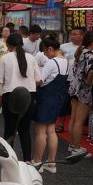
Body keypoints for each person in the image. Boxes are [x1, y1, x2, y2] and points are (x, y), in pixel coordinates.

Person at [0, 34, 41, 161]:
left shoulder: (6, 58)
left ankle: (7, 159)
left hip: (11, 96)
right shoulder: (31, 58)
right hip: (29, 96)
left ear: (9, 45)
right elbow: (38, 79)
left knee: (9, 130)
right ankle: (27, 160)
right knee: (25, 131)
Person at [32, 37, 70, 173]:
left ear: (50, 49)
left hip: (46, 99)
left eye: (45, 52)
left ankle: (37, 162)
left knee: (41, 132)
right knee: (51, 131)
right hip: (57, 99)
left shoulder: (51, 63)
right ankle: (51, 163)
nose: (45, 55)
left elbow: (40, 80)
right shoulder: (65, 62)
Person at [68, 30, 93, 156]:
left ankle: (72, 144)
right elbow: (91, 71)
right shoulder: (91, 55)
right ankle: (76, 148)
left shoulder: (80, 52)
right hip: (83, 90)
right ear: (92, 41)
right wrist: (90, 83)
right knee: (80, 121)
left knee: (74, 117)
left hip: (74, 87)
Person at [57, 27, 86, 133]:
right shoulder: (63, 47)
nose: (72, 36)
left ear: (82, 35)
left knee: (79, 105)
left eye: (75, 34)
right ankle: (60, 124)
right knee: (64, 102)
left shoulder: (86, 48)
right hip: (67, 79)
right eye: (72, 34)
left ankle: (78, 127)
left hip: (81, 81)